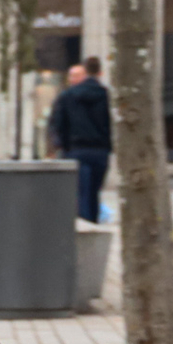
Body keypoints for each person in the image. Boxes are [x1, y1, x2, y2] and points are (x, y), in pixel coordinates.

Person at [49, 55, 113, 223]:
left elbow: (58, 124)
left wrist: (61, 146)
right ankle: (92, 222)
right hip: (100, 150)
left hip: (76, 150)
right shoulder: (106, 96)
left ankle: (82, 228)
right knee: (94, 192)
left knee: (79, 193)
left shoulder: (67, 96)